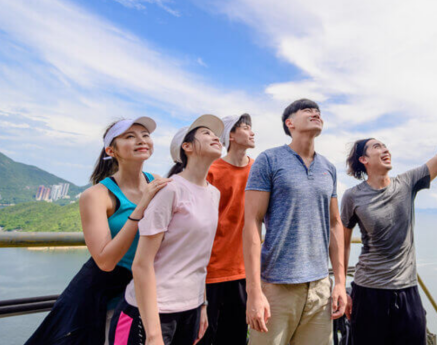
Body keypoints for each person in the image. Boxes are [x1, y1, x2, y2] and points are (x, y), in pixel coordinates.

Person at [341, 85, 437, 345]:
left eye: (385, 145)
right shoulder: (353, 197)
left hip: (406, 292)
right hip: (368, 292)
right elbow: (342, 242)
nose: (385, 149)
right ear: (363, 160)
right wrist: (341, 288)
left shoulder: (406, 183)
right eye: (376, 146)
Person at [26, 117, 171, 345]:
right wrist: (140, 208)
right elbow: (105, 261)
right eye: (130, 136)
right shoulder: (97, 195)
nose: (141, 140)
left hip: (145, 290)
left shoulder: (160, 184)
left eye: (145, 135)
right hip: (101, 295)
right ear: (111, 150)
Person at [109, 115, 224, 345]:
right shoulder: (170, 190)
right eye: (206, 133)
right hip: (151, 312)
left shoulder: (214, 193)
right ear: (187, 147)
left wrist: (202, 305)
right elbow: (141, 264)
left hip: (190, 309)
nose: (215, 137)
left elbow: (199, 259)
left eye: (215, 134)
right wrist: (153, 334)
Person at [244, 99, 346, 345]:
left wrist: (340, 283)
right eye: (307, 110)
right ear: (289, 123)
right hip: (277, 287)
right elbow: (251, 222)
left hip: (320, 286)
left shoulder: (328, 168)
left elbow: (335, 223)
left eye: (318, 111)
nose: (315, 113)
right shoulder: (269, 160)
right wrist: (254, 291)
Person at [198, 114, 256, 345]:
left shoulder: (259, 169)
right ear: (230, 135)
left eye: (252, 128)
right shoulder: (212, 170)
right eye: (245, 128)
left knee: (235, 336)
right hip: (210, 269)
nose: (252, 132)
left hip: (244, 270)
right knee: (203, 336)